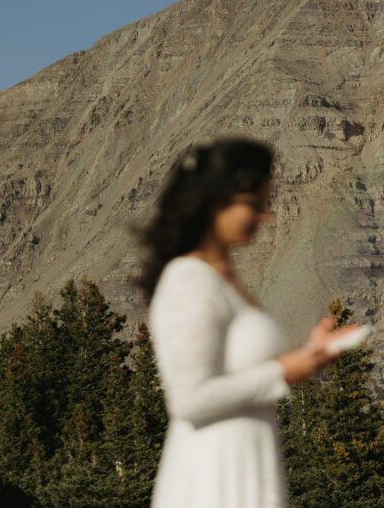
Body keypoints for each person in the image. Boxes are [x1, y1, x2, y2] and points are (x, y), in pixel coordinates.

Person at [137, 137, 358, 507]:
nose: (265, 216)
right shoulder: (189, 281)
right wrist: (281, 373)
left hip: (245, 473)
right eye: (255, 204)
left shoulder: (224, 278)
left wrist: (310, 355)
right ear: (215, 203)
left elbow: (241, 370)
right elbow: (188, 399)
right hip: (214, 482)